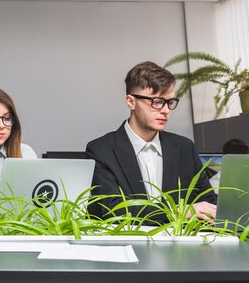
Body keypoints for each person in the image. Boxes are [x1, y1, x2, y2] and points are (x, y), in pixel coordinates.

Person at [85, 61, 217, 223]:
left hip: (181, 246)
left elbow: (208, 201)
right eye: (157, 102)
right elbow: (112, 209)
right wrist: (179, 212)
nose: (166, 110)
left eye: (169, 102)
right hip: (128, 245)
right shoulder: (101, 150)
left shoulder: (184, 147)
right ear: (131, 102)